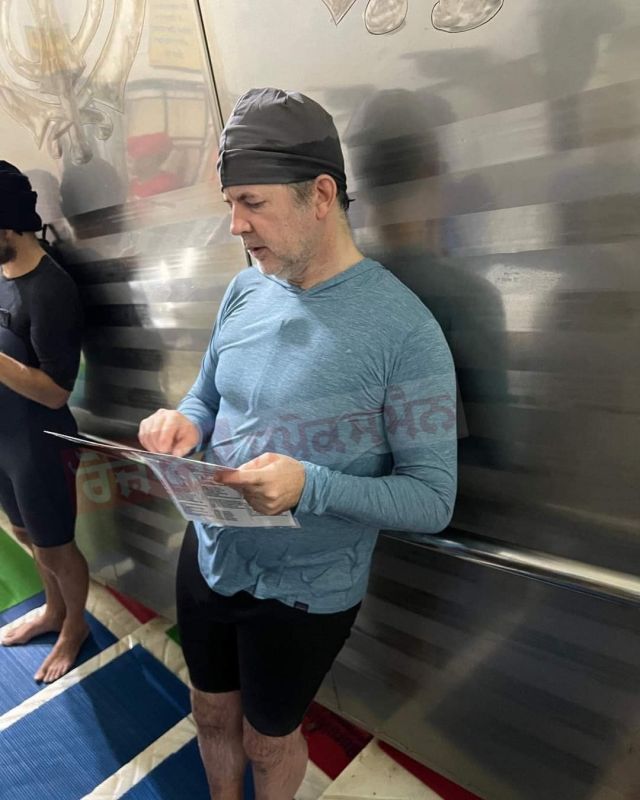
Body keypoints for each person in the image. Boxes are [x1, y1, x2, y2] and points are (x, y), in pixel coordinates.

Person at [138, 88, 457, 800]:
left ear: (320, 194)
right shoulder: (246, 291)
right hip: (213, 549)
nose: (234, 225)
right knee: (210, 709)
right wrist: (183, 422)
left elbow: (433, 498)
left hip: (307, 592)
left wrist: (310, 483)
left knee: (266, 735)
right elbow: (208, 395)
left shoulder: (405, 332)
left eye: (251, 202)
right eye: (230, 203)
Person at [0, 161, 88, 683]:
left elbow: (57, 392)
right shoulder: (4, 273)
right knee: (26, 534)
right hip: (4, 442)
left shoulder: (52, 289)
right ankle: (53, 611)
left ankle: (74, 624)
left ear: (9, 228)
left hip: (40, 441)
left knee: (56, 543)